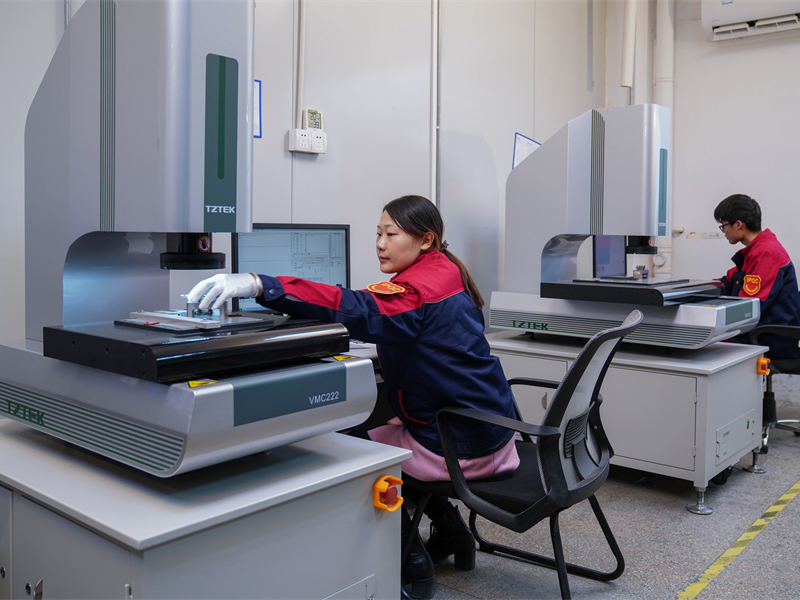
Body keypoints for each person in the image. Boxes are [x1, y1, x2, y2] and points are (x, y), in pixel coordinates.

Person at [187, 195, 520, 599]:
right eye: (377, 234)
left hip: (460, 444)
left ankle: (412, 564)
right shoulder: (446, 269)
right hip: (492, 431)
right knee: (380, 423)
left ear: (426, 239)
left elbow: (356, 306)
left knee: (347, 448)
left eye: (391, 234)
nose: (380, 244)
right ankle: (453, 533)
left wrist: (261, 284)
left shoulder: (416, 291)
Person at [714, 193, 800, 358]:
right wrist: (695, 288)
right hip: (761, 333)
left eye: (723, 225)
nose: (723, 231)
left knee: (704, 348)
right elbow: (729, 281)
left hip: (769, 340)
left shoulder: (766, 254)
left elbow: (748, 309)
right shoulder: (757, 250)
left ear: (738, 224)